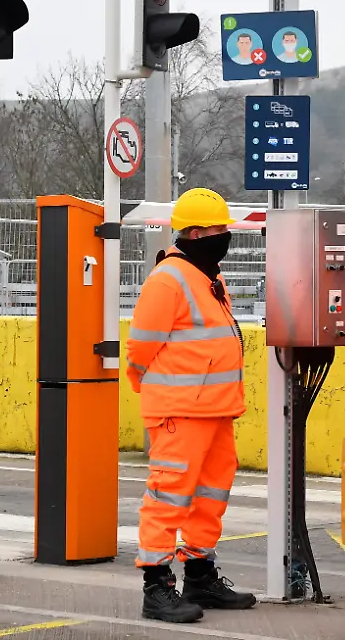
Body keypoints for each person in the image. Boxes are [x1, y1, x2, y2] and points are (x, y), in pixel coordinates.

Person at [126, 188, 257, 624]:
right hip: (181, 409)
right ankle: (157, 586)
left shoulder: (207, 277)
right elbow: (140, 349)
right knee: (168, 496)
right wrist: (156, 391)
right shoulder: (170, 279)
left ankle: (199, 573)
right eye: (218, 229)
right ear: (196, 232)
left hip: (215, 408)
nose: (225, 236)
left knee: (210, 495)